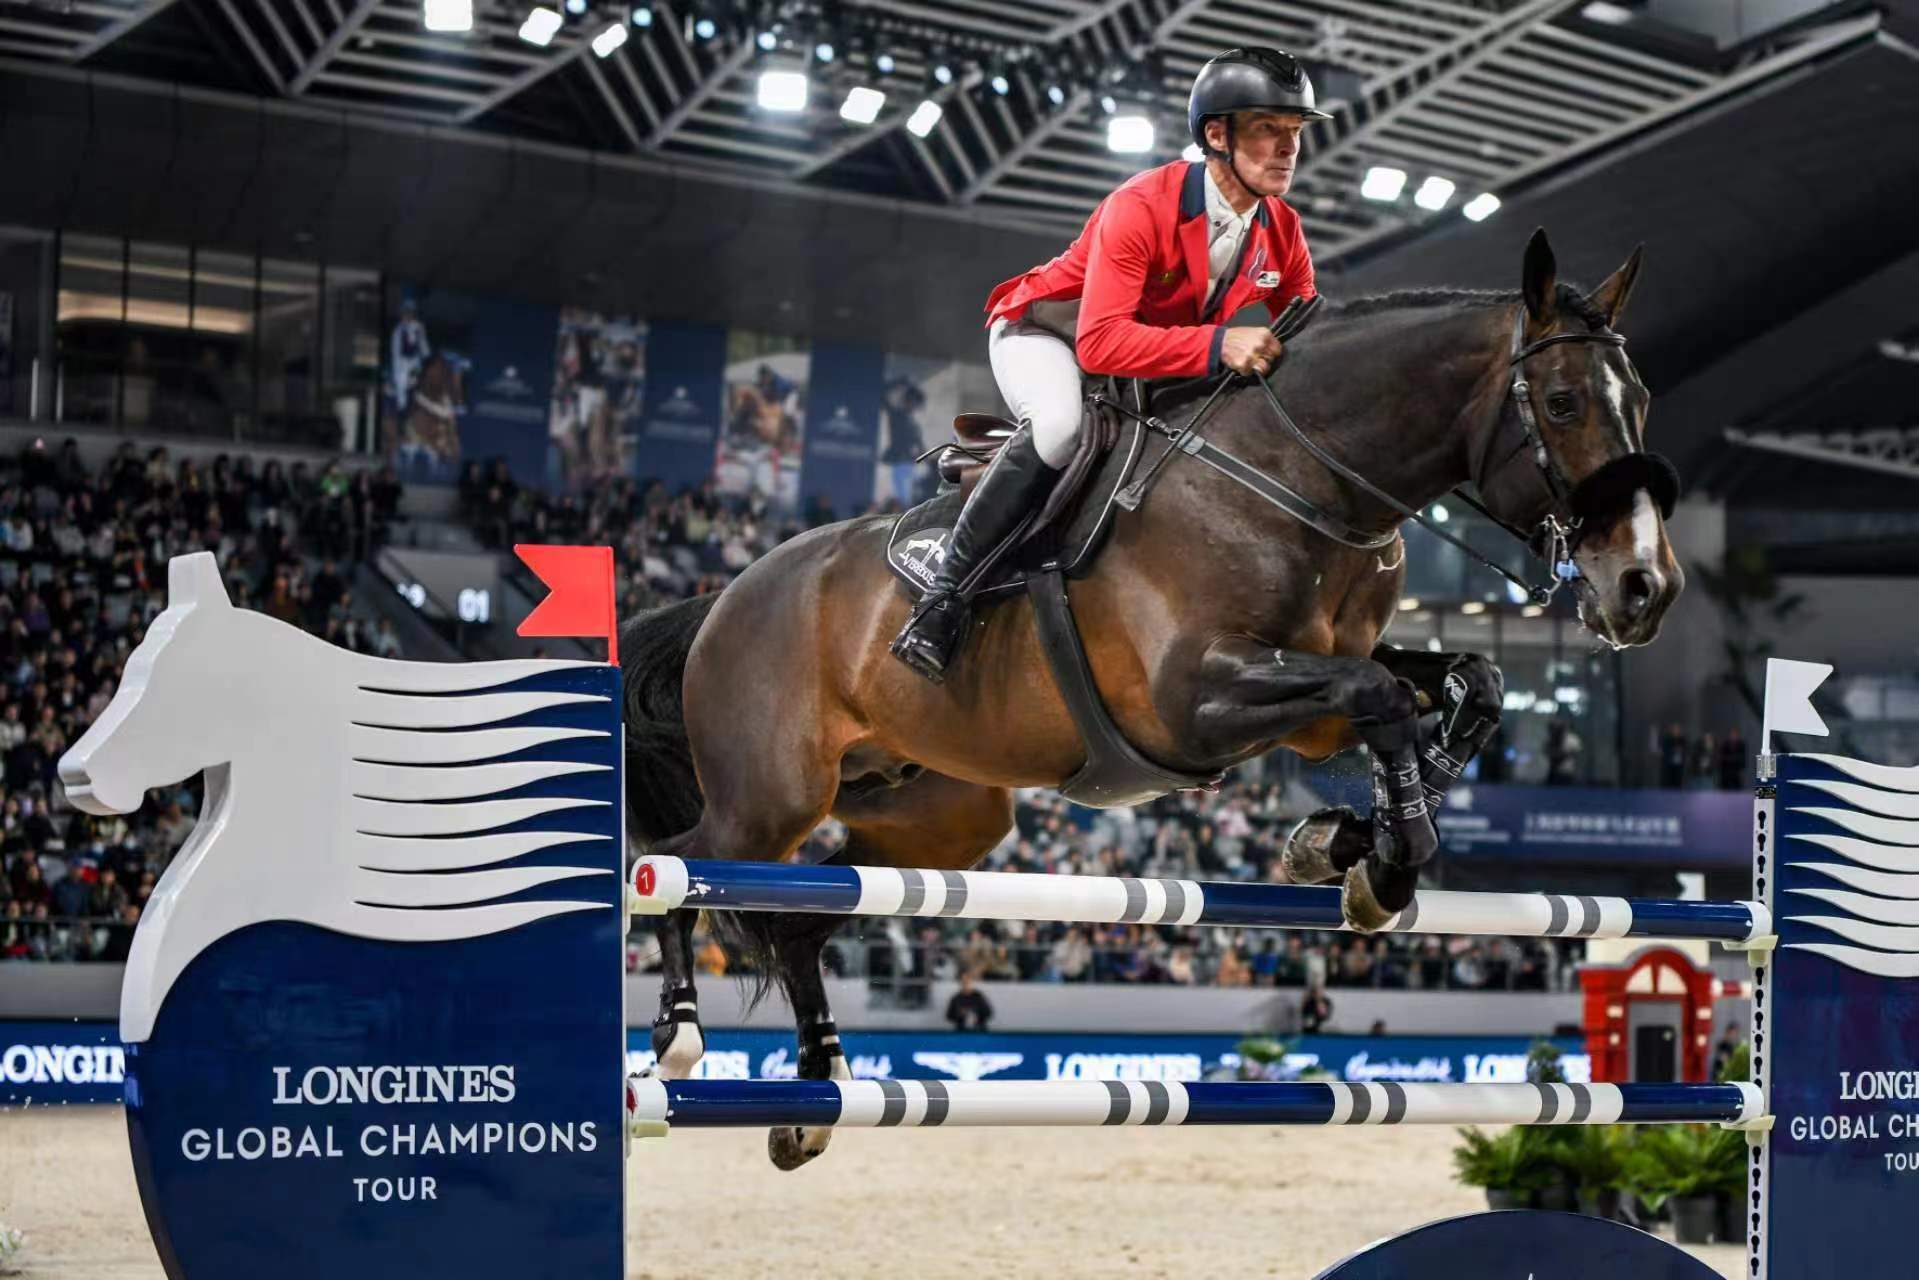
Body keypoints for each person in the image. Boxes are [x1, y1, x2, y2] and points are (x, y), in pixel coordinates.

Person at [891, 46, 1326, 683]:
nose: (1288, 148)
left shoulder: (1282, 229)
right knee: (1060, 427)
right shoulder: (1142, 204)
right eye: (1267, 128)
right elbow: (1099, 345)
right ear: (1217, 135)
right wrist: (1219, 346)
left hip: (1142, 360)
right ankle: (942, 598)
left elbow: (1308, 331)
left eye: (1295, 131)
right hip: (1048, 333)